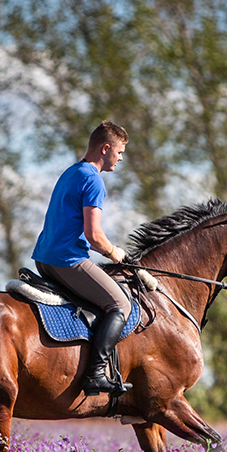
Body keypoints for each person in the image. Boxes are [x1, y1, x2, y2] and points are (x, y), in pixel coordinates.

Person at [32, 120, 133, 396]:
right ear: (106, 148)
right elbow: (94, 236)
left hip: (44, 258)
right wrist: (116, 253)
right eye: (120, 152)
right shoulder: (93, 180)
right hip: (66, 259)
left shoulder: (71, 172)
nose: (121, 158)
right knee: (120, 304)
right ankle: (96, 374)